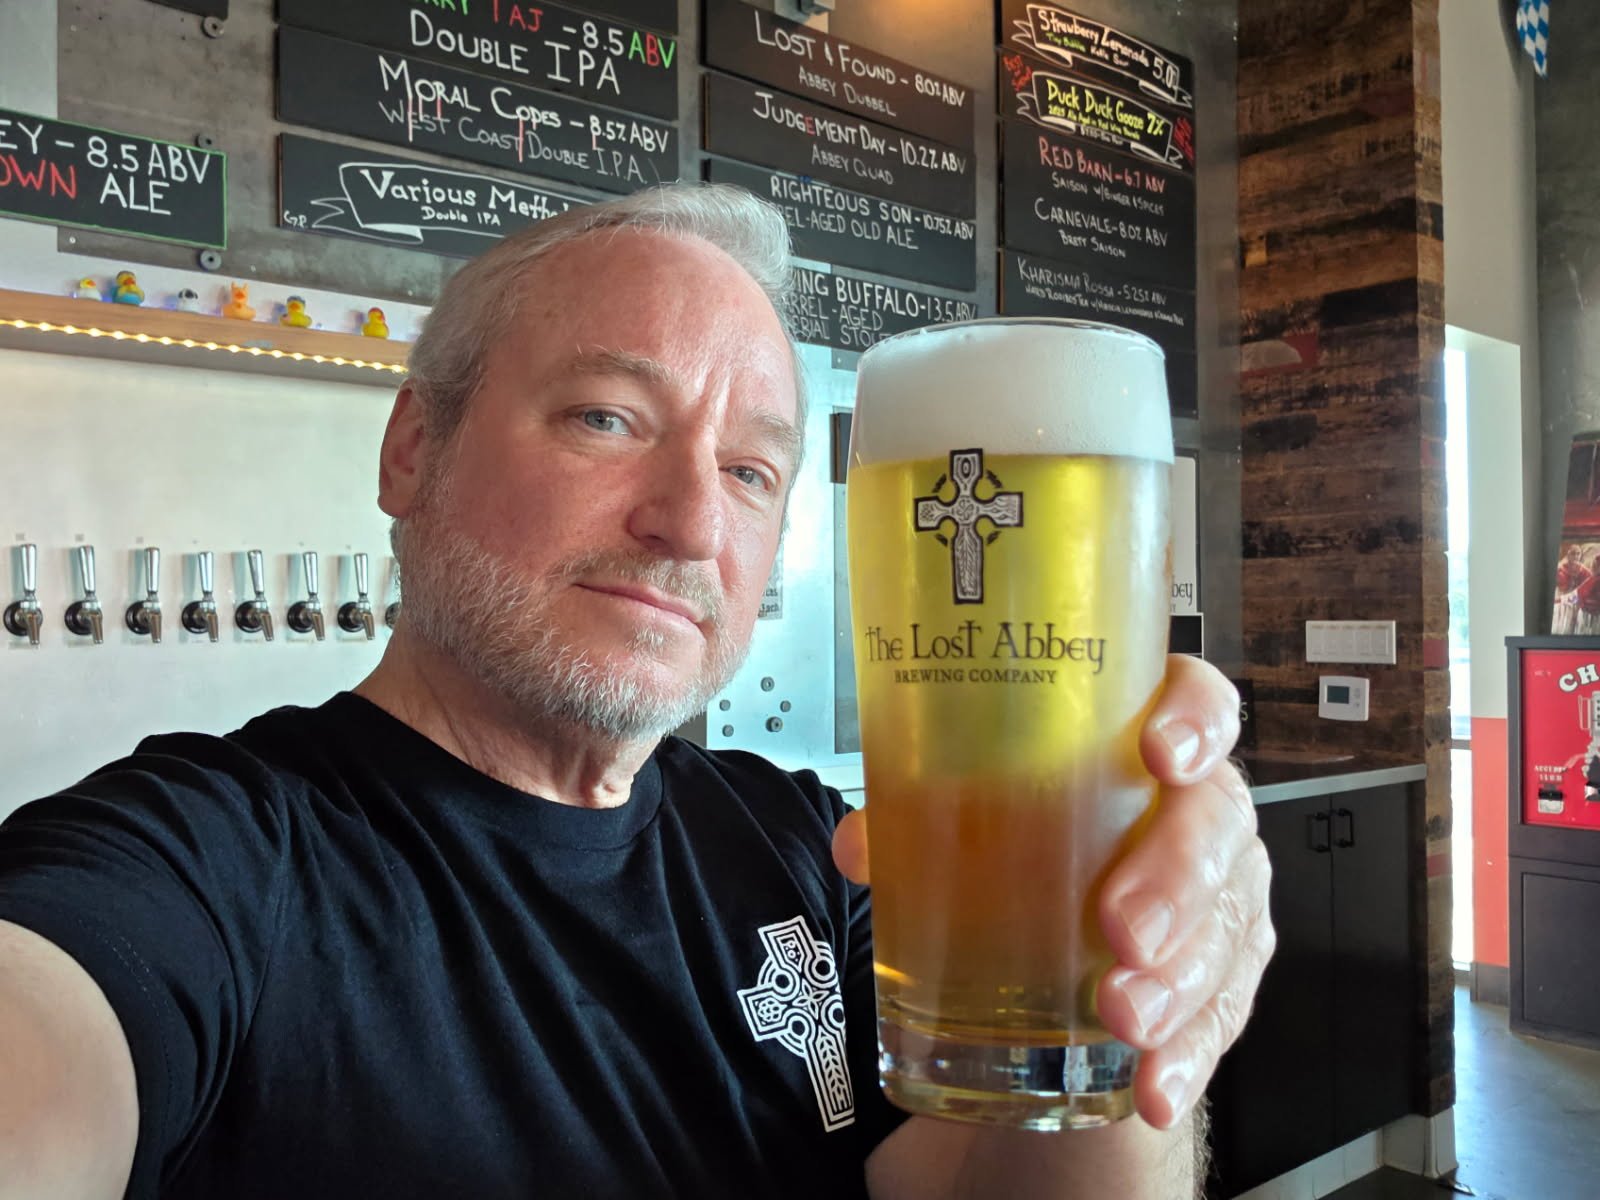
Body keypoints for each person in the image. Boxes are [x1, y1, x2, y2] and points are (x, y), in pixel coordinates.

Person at [0, 184, 1272, 1199]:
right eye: (607, 418)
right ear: (411, 450)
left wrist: (1141, 1016)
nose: (687, 523)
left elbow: (989, 1177)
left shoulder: (812, 846)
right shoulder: (202, 859)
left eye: (753, 472)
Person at [1553, 543, 1591, 634]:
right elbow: (1561, 588)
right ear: (1568, 555)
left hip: (1576, 598)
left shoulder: (1584, 570)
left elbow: (1590, 583)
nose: (1576, 556)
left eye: (1578, 554)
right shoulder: (1560, 568)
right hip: (1563, 597)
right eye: (1573, 553)